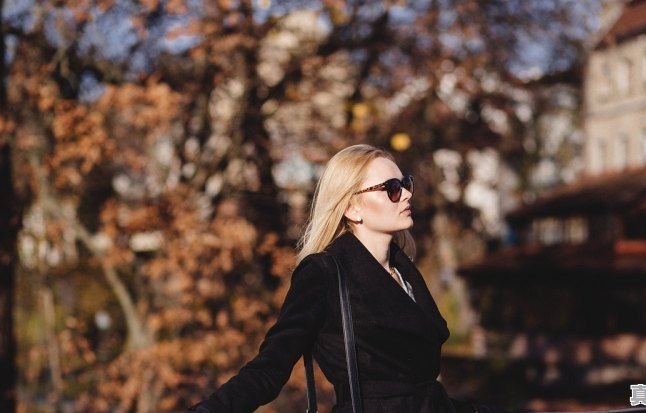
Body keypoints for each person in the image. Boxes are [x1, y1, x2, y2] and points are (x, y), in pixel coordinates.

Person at [188, 144, 480, 413]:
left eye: (405, 184)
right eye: (391, 188)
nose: (406, 194)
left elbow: (423, 390)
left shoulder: (404, 272)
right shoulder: (324, 273)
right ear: (352, 208)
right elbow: (270, 367)